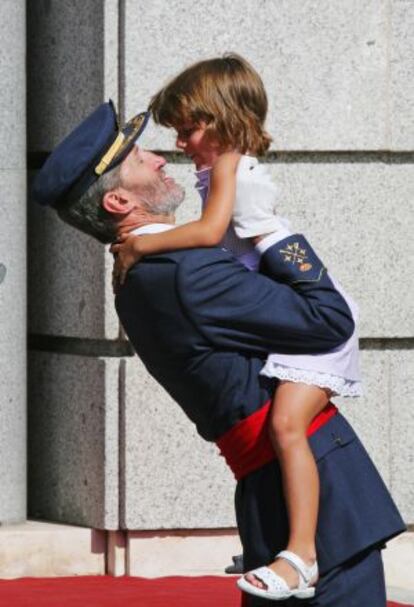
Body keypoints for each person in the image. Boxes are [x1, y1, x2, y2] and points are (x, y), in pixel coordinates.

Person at [31, 101, 405, 607]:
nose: (163, 160)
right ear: (119, 201)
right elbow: (329, 318)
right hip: (319, 489)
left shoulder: (141, 274)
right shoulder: (186, 271)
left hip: (269, 486)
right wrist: (272, 229)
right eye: (142, 159)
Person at [109, 55, 361, 601]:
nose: (177, 145)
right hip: (288, 302)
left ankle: (301, 556)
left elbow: (209, 232)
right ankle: (289, 547)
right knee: (285, 430)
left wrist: (140, 243)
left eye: (187, 127)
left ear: (222, 118)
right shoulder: (211, 171)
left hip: (320, 320)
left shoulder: (227, 167)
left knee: (287, 429)